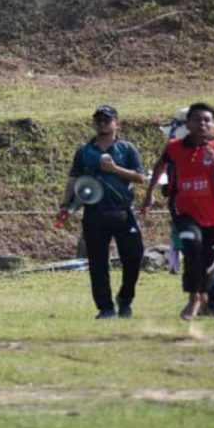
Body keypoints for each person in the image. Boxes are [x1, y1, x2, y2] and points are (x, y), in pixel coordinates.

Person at [142, 102, 214, 321]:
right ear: (189, 123)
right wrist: (149, 195)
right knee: (191, 245)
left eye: (207, 120)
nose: (202, 124)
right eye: (197, 119)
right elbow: (159, 167)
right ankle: (193, 298)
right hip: (183, 210)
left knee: (205, 261)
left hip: (213, 214)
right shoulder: (174, 147)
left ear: (212, 125)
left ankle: (203, 294)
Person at [57, 105, 146, 319]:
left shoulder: (127, 149)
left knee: (134, 257)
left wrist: (115, 170)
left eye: (107, 120)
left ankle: (125, 299)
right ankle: (105, 308)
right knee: (97, 263)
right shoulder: (84, 151)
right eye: (98, 120)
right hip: (94, 213)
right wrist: (64, 206)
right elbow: (73, 181)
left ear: (117, 123)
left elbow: (140, 177)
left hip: (123, 212)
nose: (102, 123)